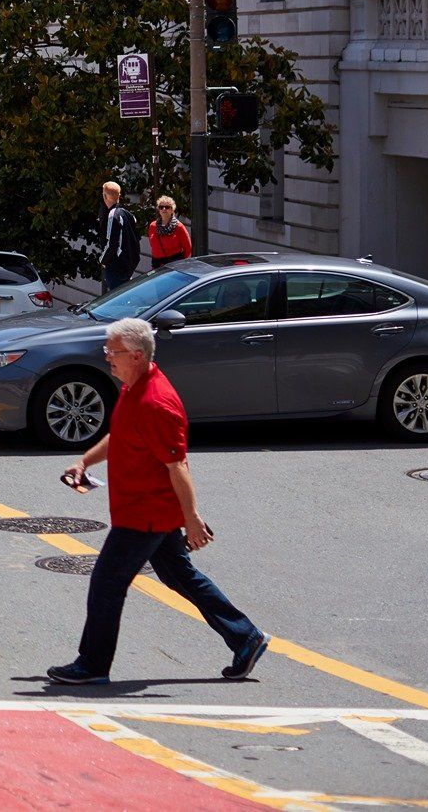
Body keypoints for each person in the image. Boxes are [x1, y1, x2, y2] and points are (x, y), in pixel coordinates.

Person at [48, 317, 267, 686]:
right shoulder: (132, 387)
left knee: (106, 582)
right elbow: (120, 436)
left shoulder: (156, 402)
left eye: (112, 352)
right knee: (179, 575)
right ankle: (245, 637)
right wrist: (84, 461)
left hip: (145, 514)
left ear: (135, 355)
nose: (107, 358)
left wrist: (192, 518)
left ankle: (93, 665)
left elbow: (177, 464)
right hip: (142, 510)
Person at [99, 181, 140, 292]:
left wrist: (102, 260)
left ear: (105, 196)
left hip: (116, 267)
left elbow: (111, 243)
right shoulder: (128, 214)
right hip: (127, 266)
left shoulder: (113, 214)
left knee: (116, 301)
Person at [148, 197, 193, 269]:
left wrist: (180, 262)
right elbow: (153, 245)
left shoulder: (179, 227)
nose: (164, 209)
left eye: (167, 207)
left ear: (172, 209)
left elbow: (188, 247)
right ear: (158, 210)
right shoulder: (153, 226)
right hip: (157, 264)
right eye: (161, 207)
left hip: (174, 265)